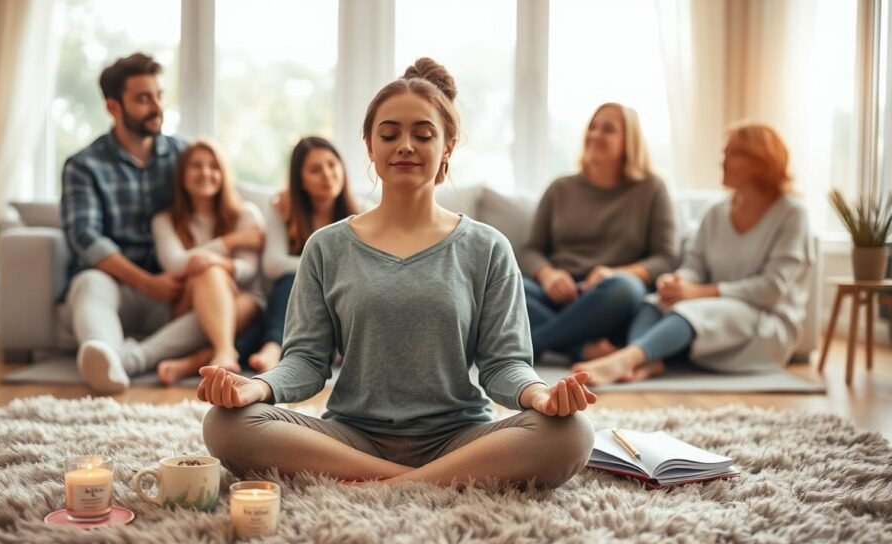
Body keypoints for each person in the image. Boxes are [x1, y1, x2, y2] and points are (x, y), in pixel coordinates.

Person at [197, 58, 596, 488]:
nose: (405, 145)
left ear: (447, 145)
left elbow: (503, 365)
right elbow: (307, 362)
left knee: (572, 432)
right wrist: (255, 389)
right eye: (389, 134)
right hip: (351, 437)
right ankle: (425, 481)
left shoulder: (487, 247)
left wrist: (541, 395)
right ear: (369, 146)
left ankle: (386, 484)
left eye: (423, 135)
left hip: (458, 437)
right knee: (225, 423)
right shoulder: (326, 246)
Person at [573, 124, 812, 384]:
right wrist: (679, 283)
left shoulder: (792, 214)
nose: (723, 161)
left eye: (734, 153)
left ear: (761, 162)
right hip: (714, 309)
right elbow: (694, 264)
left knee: (695, 312)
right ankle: (644, 362)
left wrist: (701, 292)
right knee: (655, 302)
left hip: (766, 320)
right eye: (725, 152)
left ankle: (625, 360)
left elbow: (772, 289)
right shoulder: (716, 211)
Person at [61, 52, 193, 393]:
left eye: (159, 96)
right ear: (114, 107)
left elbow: (221, 204)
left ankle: (130, 361)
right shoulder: (84, 165)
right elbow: (85, 236)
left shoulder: (184, 156)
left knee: (216, 292)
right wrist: (148, 283)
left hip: (172, 292)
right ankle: (103, 355)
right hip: (113, 285)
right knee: (89, 282)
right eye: (143, 98)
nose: (156, 106)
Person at [520, 103, 678, 364]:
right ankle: (580, 350)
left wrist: (615, 273)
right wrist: (549, 276)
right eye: (592, 127)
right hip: (557, 295)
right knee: (508, 287)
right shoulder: (560, 188)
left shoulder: (652, 189)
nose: (595, 135)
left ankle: (534, 344)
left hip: (610, 300)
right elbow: (530, 250)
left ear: (629, 141)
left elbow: (666, 259)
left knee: (626, 289)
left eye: (608, 129)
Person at [148, 139, 267, 383]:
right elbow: (176, 264)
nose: (205, 173)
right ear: (181, 174)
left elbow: (249, 271)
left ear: (223, 173)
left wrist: (216, 261)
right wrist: (229, 244)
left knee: (249, 301)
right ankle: (224, 349)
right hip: (186, 305)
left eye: (213, 167)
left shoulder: (246, 214)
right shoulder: (165, 220)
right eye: (196, 166)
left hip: (243, 303)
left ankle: (198, 361)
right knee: (208, 270)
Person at [247, 136, 360, 373]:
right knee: (291, 281)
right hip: (291, 306)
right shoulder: (281, 207)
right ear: (301, 180)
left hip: (341, 302)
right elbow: (272, 265)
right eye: (315, 170)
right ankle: (272, 349)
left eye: (332, 164)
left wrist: (322, 272)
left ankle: (278, 349)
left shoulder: (363, 212)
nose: (327, 175)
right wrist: (322, 271)